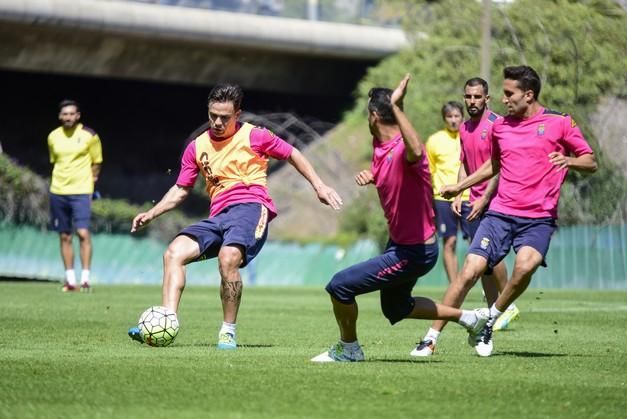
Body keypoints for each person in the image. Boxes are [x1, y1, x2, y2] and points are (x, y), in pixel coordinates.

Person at [128, 83, 343, 350]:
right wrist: (152, 213)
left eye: (225, 117)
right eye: (213, 116)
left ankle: (227, 332)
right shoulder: (196, 147)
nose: (217, 122)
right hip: (218, 216)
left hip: (251, 208)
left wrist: (319, 186)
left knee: (228, 257)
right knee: (173, 253)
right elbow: (181, 190)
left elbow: (293, 154)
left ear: (237, 114)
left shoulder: (256, 136)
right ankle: (164, 321)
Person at [311, 74, 490, 363]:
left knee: (340, 286)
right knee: (396, 307)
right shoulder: (380, 146)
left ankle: (349, 349)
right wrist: (374, 176)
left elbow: (416, 150)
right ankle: (470, 318)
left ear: (373, 115)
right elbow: (393, 174)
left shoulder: (406, 150)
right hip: (401, 245)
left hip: (415, 251)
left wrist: (397, 107)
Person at [434, 66, 597, 357]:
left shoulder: (559, 122)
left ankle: (491, 318)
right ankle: (431, 338)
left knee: (524, 267)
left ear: (529, 94)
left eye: (509, 93)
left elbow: (590, 161)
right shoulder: (500, 127)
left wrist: (568, 161)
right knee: (471, 268)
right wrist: (461, 187)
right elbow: (493, 167)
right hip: (501, 212)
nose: (505, 99)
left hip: (539, 217)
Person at [410, 77, 519, 357]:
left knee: (478, 266)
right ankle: (494, 316)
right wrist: (461, 194)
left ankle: (436, 336)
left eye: (477, 97)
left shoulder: (497, 124)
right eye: (468, 97)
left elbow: (499, 166)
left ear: (487, 98)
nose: (472, 101)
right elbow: (464, 164)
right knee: (482, 265)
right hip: (474, 203)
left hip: (496, 205)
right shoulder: (466, 128)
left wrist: (483, 198)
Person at [47, 99, 103, 292]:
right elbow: (55, 162)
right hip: (58, 191)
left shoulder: (90, 135)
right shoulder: (53, 136)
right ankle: (70, 281)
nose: (68, 117)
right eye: (65, 114)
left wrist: (91, 183)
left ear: (78, 115)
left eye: (71, 114)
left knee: (83, 233)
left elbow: (97, 162)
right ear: (60, 116)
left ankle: (85, 279)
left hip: (81, 191)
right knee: (64, 236)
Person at [424, 101, 471, 284]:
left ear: (462, 116)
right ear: (444, 119)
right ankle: (455, 286)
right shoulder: (434, 141)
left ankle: (480, 281)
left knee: (475, 243)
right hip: (442, 198)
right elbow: (429, 171)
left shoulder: (471, 135)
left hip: (469, 196)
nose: (453, 120)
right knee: (449, 242)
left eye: (456, 116)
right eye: (449, 117)